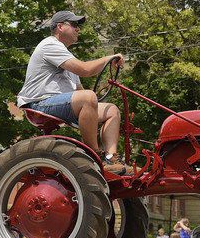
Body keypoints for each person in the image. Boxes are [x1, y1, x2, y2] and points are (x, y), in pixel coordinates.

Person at [17, 10, 126, 174]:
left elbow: (80, 92)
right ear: (60, 27)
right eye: (74, 24)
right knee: (88, 97)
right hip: (40, 104)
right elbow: (85, 70)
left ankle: (111, 158)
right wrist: (109, 58)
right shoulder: (50, 45)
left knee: (111, 110)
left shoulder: (66, 56)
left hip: (59, 104)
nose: (78, 29)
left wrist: (92, 105)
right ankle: (95, 156)